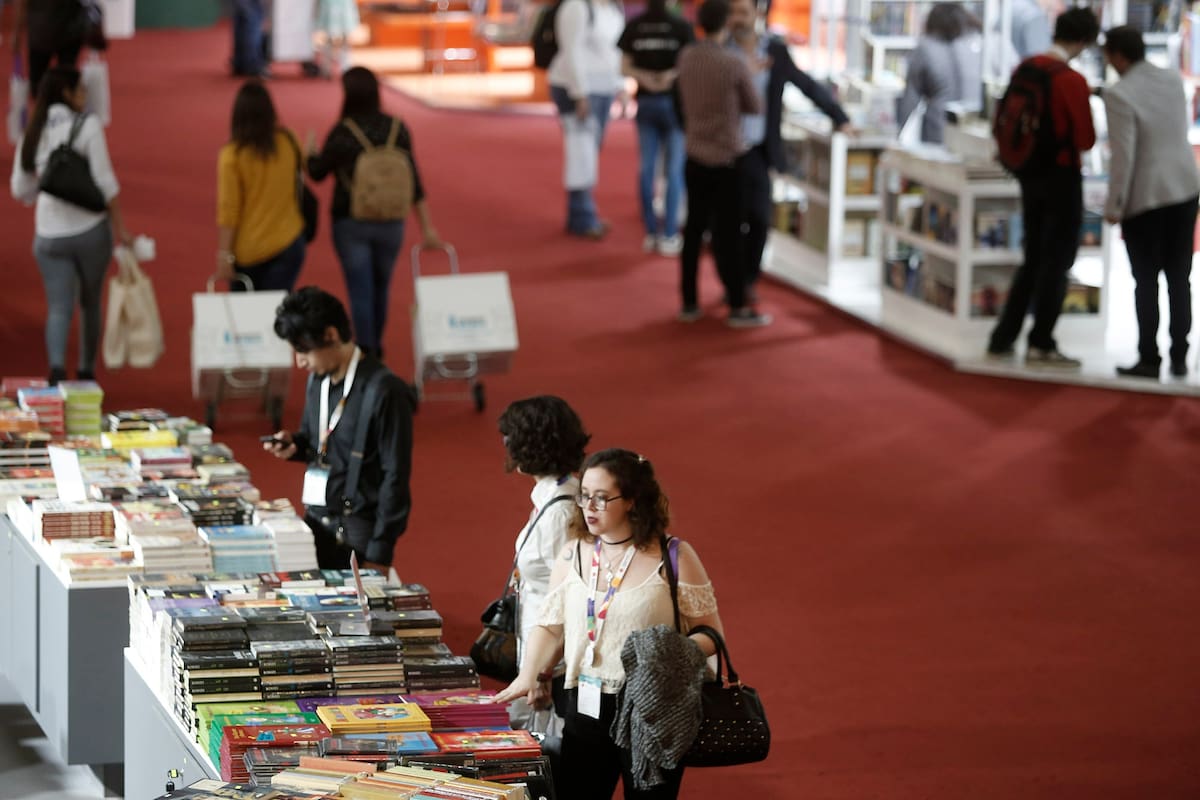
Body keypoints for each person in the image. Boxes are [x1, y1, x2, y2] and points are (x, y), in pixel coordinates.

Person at [495, 448, 724, 800]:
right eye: (584, 496)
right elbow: (551, 624)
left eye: (602, 499)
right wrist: (528, 674)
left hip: (650, 707)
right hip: (583, 702)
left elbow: (711, 634)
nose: (588, 507)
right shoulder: (574, 552)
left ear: (632, 500)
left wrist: (671, 652)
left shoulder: (673, 556)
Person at [265, 286, 415, 574]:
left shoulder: (386, 392)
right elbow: (317, 441)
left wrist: (380, 552)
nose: (300, 362)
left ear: (331, 335)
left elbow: (395, 477)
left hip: (357, 536)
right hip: (314, 523)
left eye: (303, 350)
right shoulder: (318, 380)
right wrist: (296, 445)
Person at [986, 7, 1098, 367]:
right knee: (1058, 260)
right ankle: (1041, 340)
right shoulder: (1071, 80)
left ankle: (1003, 337)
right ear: (1083, 41)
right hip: (1061, 177)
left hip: (1027, 173)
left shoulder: (1027, 66)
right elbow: (1085, 138)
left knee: (1033, 256)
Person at [306, 67, 440, 359]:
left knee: (359, 291)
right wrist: (428, 227)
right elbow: (414, 180)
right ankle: (376, 346)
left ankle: (366, 351)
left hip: (351, 221)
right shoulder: (397, 129)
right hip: (391, 221)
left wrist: (310, 153)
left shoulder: (345, 132)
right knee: (382, 288)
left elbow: (317, 173)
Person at [10, 66, 132, 385]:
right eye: (80, 90)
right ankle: (87, 372)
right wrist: (121, 229)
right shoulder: (87, 125)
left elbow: (20, 189)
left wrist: (48, 187)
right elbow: (106, 183)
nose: (85, 96)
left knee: (58, 308)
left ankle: (56, 372)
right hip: (91, 231)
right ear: (66, 92)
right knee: (90, 303)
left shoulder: (33, 131)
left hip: (49, 235)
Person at [729, 0, 852, 296]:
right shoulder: (721, 52)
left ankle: (747, 281)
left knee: (759, 218)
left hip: (758, 149)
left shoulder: (774, 52)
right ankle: (734, 286)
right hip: (725, 152)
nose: (737, 19)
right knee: (730, 222)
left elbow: (805, 84)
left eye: (743, 12)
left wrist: (839, 116)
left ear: (757, 14)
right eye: (732, 12)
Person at [1101, 26, 1200, 380]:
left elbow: (1123, 157)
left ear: (1117, 56)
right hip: (1186, 187)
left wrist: (1114, 204)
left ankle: (1148, 357)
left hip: (1147, 196)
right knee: (1179, 277)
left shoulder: (1119, 95)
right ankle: (1180, 353)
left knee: (1145, 280)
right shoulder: (1173, 79)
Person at [496, 395, 590, 730]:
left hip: (556, 667)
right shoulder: (553, 497)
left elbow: (568, 601)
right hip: (539, 652)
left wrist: (542, 673)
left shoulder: (561, 512)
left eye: (511, 439)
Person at [675, 0, 769, 327]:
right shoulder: (733, 63)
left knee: (693, 231)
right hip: (728, 158)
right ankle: (738, 305)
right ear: (726, 23)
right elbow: (755, 107)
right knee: (729, 234)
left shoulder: (687, 57)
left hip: (694, 154)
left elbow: (680, 100)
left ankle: (688, 301)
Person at [618, 0, 694, 256]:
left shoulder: (635, 25)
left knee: (647, 167)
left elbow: (624, 65)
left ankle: (651, 232)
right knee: (674, 169)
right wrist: (667, 78)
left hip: (647, 102)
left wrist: (644, 78)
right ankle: (670, 233)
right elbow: (690, 63)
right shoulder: (682, 27)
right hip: (674, 104)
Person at [216, 80, 307, 292]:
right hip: (289, 241)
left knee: (245, 318)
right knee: (278, 314)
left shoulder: (232, 156)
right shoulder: (289, 140)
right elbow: (303, 170)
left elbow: (229, 210)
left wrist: (224, 255)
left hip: (249, 251)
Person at [547, 0, 625, 239]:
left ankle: (580, 212)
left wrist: (619, 85)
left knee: (591, 151)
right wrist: (579, 92)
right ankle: (583, 216)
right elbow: (571, 50)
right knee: (581, 151)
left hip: (603, 88)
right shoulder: (576, 7)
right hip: (575, 88)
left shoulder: (613, 9)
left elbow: (612, 51)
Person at [896, 3, 983, 145]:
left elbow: (910, 99)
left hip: (938, 131)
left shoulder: (926, 48)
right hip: (973, 131)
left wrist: (898, 135)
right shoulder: (976, 45)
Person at [12, 0, 87, 96]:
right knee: (53, 86)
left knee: (65, 85)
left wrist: (17, 33)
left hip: (60, 32)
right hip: (49, 32)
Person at [314, 0, 360, 78]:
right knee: (328, 39)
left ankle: (346, 68)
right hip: (329, 5)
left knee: (345, 39)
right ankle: (326, 68)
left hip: (343, 6)